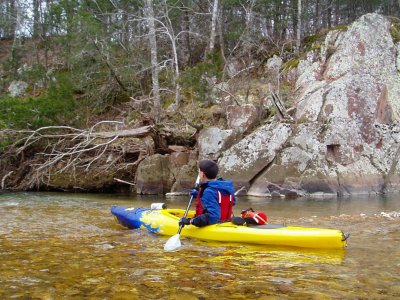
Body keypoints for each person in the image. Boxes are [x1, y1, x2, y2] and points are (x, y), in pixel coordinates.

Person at [179, 159, 236, 227]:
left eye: (199, 171)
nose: (199, 173)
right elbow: (224, 200)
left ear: (203, 174)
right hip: (226, 222)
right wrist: (199, 194)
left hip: (214, 226)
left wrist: (191, 221)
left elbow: (213, 217)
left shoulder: (208, 192)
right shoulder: (226, 188)